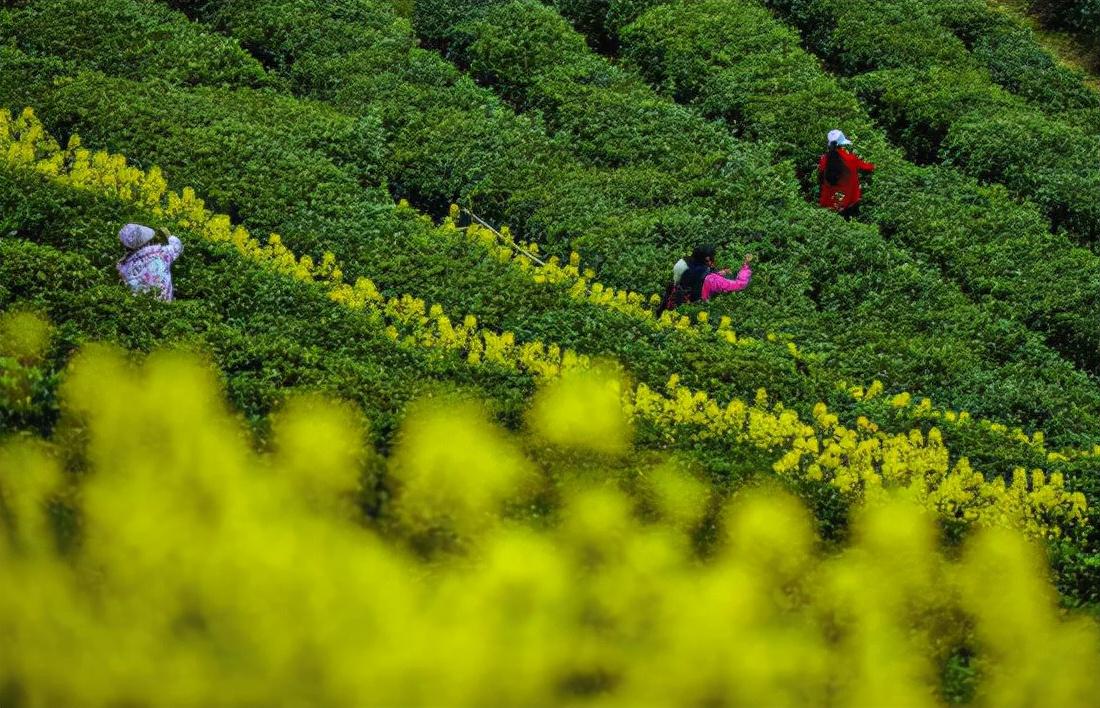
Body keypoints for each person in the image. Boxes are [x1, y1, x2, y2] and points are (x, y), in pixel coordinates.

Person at [661, 244, 753, 312]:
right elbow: (740, 284)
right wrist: (746, 267)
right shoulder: (712, 280)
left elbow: (698, 275)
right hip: (700, 311)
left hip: (680, 306)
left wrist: (718, 273)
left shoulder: (683, 267)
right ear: (708, 259)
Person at [117, 223, 183, 302]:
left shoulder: (124, 267)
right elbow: (177, 247)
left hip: (142, 308)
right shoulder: (161, 252)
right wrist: (169, 236)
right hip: (165, 304)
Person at [818, 129, 874, 220]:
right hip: (849, 202)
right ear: (842, 144)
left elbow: (820, 178)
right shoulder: (851, 158)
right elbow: (868, 167)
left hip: (828, 202)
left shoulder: (824, 159)